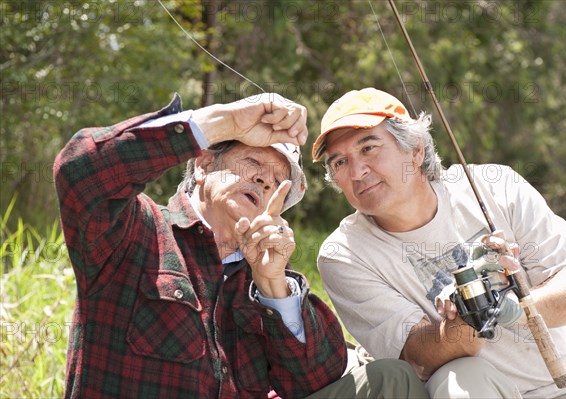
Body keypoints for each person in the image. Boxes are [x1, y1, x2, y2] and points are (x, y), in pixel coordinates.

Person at [54, 92, 427, 398]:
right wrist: (223, 121)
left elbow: (316, 383)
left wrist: (274, 288)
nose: (266, 180)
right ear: (202, 165)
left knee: (391, 379)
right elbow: (81, 170)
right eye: (252, 161)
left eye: (279, 180)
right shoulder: (137, 230)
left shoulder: (267, 273)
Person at [312, 87, 566, 398]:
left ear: (416, 150)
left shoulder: (497, 186)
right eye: (339, 162)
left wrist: (511, 309)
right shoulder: (342, 255)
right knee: (460, 374)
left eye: (368, 148)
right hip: (476, 390)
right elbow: (419, 355)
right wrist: (471, 306)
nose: (357, 172)